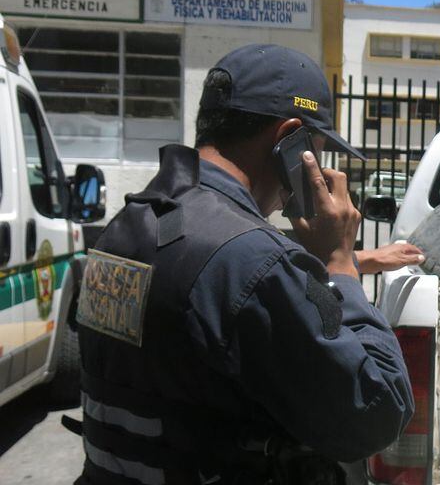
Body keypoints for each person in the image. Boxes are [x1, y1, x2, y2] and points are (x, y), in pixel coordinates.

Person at [68, 44, 415, 484]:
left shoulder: (131, 225)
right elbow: (379, 413)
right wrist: (341, 263)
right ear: (290, 140)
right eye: (319, 148)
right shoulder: (251, 261)